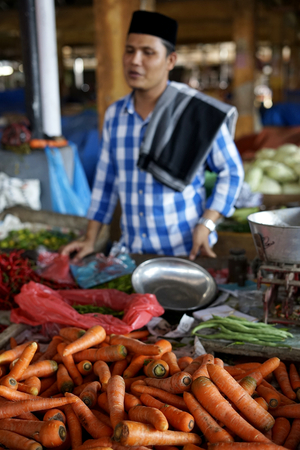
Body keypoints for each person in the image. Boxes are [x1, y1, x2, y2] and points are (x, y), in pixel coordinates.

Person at [61, 10, 244, 262]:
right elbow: (105, 183)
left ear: (170, 61)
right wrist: (90, 238)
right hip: (133, 253)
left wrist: (207, 223)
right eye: (129, 50)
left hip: (187, 250)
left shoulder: (195, 113)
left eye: (148, 53)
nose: (135, 60)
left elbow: (232, 172)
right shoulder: (115, 115)